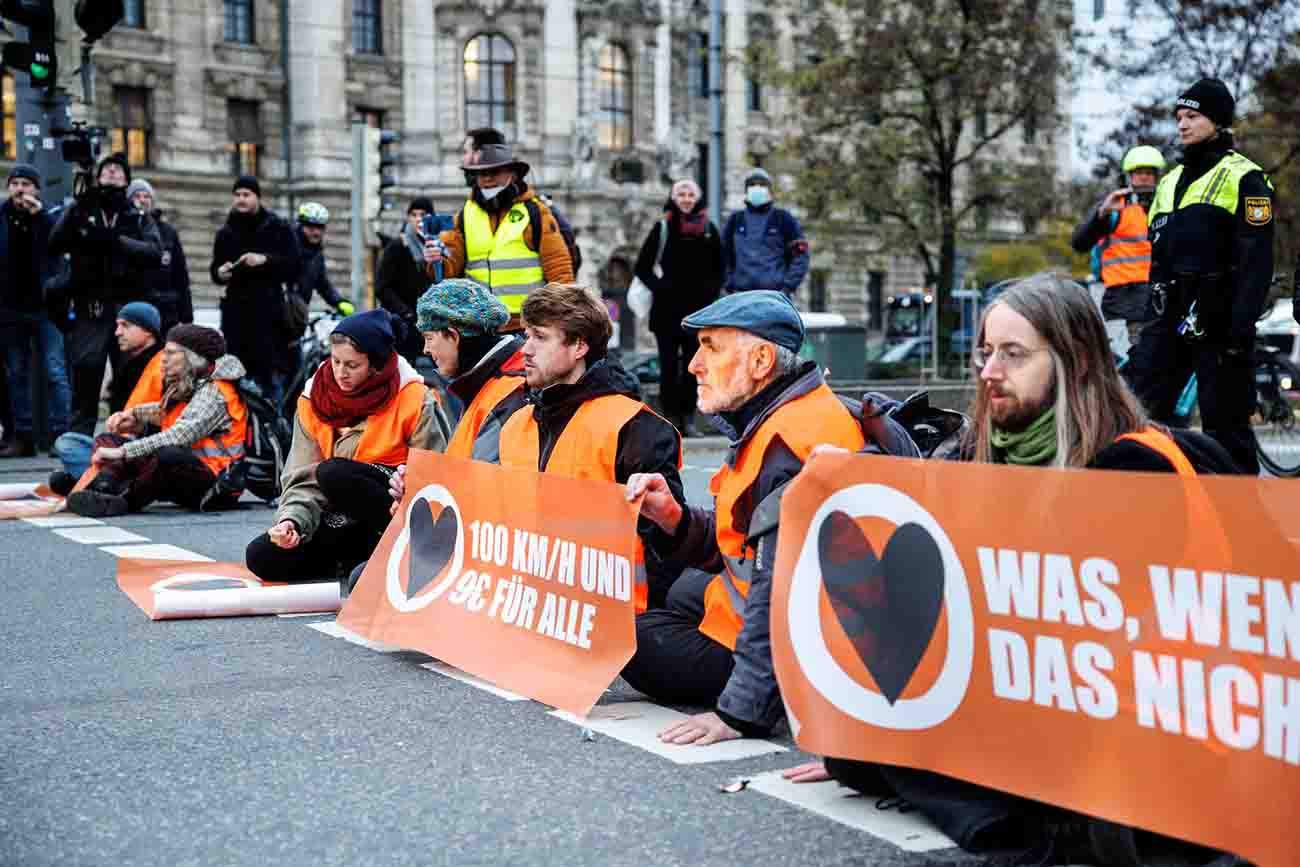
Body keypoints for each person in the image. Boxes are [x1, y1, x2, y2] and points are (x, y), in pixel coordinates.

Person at [807, 273, 1239, 865]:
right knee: (856, 748)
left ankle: (1062, 827)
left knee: (911, 750)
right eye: (986, 352)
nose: (989, 372)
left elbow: (1106, 638)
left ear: (1077, 362)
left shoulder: (1135, 466)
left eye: (1013, 354)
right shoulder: (988, 454)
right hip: (1038, 697)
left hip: (1136, 708)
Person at [622, 290, 866, 743]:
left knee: (630, 638)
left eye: (710, 347)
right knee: (683, 592)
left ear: (760, 361)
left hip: (792, 642)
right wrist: (674, 518)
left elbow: (778, 595)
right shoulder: (780, 417)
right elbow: (741, 540)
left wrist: (739, 715)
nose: (694, 364)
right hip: (771, 610)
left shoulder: (789, 445)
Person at [496, 283, 684, 612]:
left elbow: (667, 548)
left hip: (616, 622)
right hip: (527, 612)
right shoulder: (516, 422)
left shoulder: (636, 427)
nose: (525, 349)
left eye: (539, 337)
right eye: (526, 335)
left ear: (579, 345)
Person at [1124, 78, 1275, 475]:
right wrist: (1147, 329)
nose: (1182, 125)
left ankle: (1241, 526)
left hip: (1219, 321)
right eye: (1178, 117)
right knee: (1141, 421)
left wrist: (1238, 334)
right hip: (1166, 321)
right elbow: (1157, 265)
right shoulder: (1169, 182)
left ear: (1218, 121)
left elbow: (1256, 265)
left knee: (1227, 436)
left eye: (1192, 116)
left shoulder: (1247, 179)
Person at [245, 310, 451, 584]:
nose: (340, 373)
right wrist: (291, 523)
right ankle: (354, 557)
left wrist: (404, 498)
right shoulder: (311, 400)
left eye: (352, 365)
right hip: (340, 516)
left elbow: (435, 478)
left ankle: (393, 551)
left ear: (376, 365)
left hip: (395, 508)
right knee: (261, 555)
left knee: (334, 473)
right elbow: (302, 479)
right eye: (335, 361)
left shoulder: (416, 398)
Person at [65, 325, 249, 518]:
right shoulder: (193, 378)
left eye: (170, 353)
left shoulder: (216, 391)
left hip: (214, 484)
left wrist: (122, 452)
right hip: (183, 469)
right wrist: (133, 414)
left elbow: (178, 436)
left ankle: (123, 501)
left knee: (166, 455)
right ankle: (102, 488)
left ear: (193, 358)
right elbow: (165, 410)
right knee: (107, 439)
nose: (163, 358)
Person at [48, 152, 163, 437]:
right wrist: (77, 209)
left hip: (127, 308)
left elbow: (153, 251)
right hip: (92, 308)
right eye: (107, 169)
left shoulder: (136, 215)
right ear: (98, 176)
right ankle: (79, 438)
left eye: (118, 169)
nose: (112, 172)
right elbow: (55, 242)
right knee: (86, 371)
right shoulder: (83, 209)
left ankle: (126, 437)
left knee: (129, 376)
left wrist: (118, 242)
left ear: (126, 179)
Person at [423, 142, 574, 319]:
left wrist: (565, 316)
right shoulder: (464, 215)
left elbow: (558, 267)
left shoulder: (536, 212)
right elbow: (449, 269)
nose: (487, 179)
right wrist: (436, 260)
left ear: (513, 175)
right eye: (481, 173)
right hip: (480, 322)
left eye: (494, 172)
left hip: (526, 324)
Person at [633, 179, 723, 437]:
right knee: (668, 368)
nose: (686, 198)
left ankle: (689, 419)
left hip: (698, 313)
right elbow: (642, 267)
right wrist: (661, 287)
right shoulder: (662, 227)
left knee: (694, 368)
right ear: (674, 197)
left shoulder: (709, 229)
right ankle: (671, 420)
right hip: (667, 312)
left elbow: (720, 269)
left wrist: (710, 296)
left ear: (698, 198)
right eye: (681, 194)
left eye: (690, 194)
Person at [49, 301, 166, 489]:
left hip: (148, 449)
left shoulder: (164, 365)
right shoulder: (128, 366)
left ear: (148, 331)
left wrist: (139, 427)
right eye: (117, 325)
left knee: (68, 445)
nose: (117, 332)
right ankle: (100, 480)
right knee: (69, 442)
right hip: (124, 447)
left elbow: (171, 420)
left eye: (125, 326)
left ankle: (102, 482)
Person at [0, 163, 71, 457]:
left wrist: (38, 215)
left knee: (55, 370)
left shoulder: (49, 217)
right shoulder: (1, 217)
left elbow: (60, 245)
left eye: (26, 184)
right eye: (15, 183)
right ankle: (23, 436)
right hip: (9, 310)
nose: (20, 189)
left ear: (36, 190)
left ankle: (62, 435)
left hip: (46, 308)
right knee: (16, 373)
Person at [210, 175, 299, 405]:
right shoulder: (225, 233)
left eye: (246, 195)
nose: (241, 199)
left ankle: (273, 433)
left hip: (269, 317)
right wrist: (220, 272)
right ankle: (241, 432)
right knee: (235, 379)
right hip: (236, 318)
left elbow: (293, 265)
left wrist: (264, 260)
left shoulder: (277, 227)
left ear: (257, 197)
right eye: (237, 195)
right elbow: (215, 270)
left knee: (270, 382)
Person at [1070, 145, 1166, 350]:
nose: (1144, 178)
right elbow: (1079, 243)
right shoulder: (1114, 207)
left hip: (1159, 297)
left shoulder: (1166, 206)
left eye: (1149, 173)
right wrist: (1102, 213)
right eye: (1139, 172)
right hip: (1123, 300)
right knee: (1129, 362)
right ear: (1128, 176)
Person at [276, 201, 355, 402]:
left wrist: (339, 302)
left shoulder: (316, 255)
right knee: (281, 373)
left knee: (297, 372)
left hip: (296, 321)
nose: (315, 232)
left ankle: (289, 417)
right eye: (310, 226)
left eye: (319, 227)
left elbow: (323, 284)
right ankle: (274, 418)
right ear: (301, 226)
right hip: (277, 320)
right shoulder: (287, 248)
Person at [721, 167, 810, 297]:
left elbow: (801, 255)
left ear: (770, 190)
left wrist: (787, 287)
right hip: (740, 296)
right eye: (752, 185)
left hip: (775, 297)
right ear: (746, 190)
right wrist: (728, 284)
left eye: (762, 185)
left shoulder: (783, 218)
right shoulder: (735, 220)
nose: (757, 188)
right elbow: (722, 256)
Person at [127, 179, 193, 337]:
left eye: (146, 196)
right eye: (137, 196)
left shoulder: (168, 232)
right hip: (134, 310)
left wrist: (186, 317)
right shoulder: (125, 229)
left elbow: (181, 277)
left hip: (166, 312)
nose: (142, 200)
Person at [377, 196, 438, 363]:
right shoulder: (398, 246)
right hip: (403, 325)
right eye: (414, 215)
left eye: (423, 214)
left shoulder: (437, 246)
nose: (418, 219)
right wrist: (406, 313)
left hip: (431, 324)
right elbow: (382, 288)